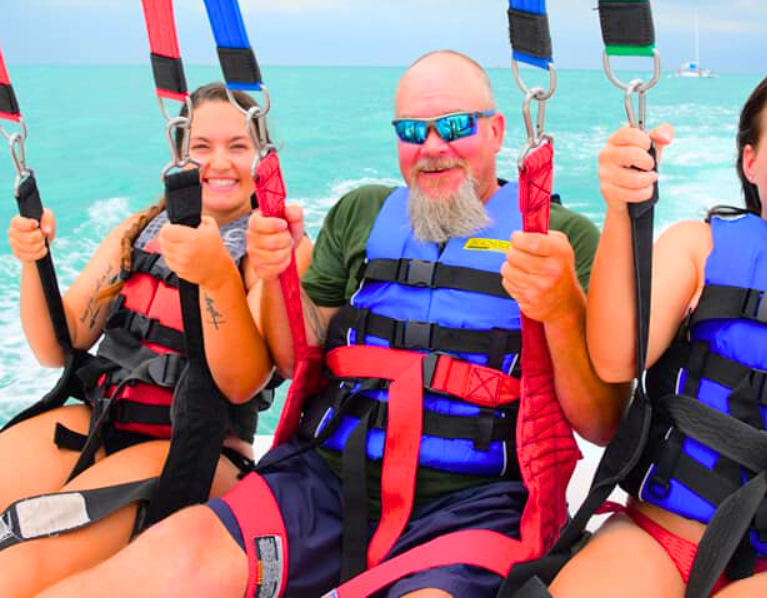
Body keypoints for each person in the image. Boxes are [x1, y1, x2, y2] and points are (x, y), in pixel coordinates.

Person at [37, 50, 628, 598]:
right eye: (410, 131)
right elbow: (298, 358)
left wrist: (562, 307)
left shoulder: (558, 237)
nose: (431, 147)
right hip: (321, 482)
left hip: (470, 506)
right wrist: (274, 278)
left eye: (454, 126)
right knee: (179, 552)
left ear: (497, 131)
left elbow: (601, 424)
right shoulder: (361, 212)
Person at [0, 82, 311, 598]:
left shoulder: (273, 250)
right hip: (103, 421)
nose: (219, 163)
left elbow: (241, 383)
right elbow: (61, 343)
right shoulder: (141, 229)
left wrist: (215, 277)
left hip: (197, 448)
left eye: (238, 146)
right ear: (179, 155)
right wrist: (34, 262)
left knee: (23, 560)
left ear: (263, 156)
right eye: (202, 148)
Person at [549, 59, 767, 598]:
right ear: (750, 162)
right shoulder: (697, 247)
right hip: (657, 540)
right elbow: (618, 358)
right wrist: (624, 209)